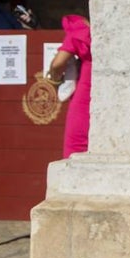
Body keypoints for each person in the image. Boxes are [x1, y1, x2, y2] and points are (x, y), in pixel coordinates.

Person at [45, 15, 91, 157]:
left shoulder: (78, 30)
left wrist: (54, 76)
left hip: (85, 91)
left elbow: (58, 63)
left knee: (76, 142)